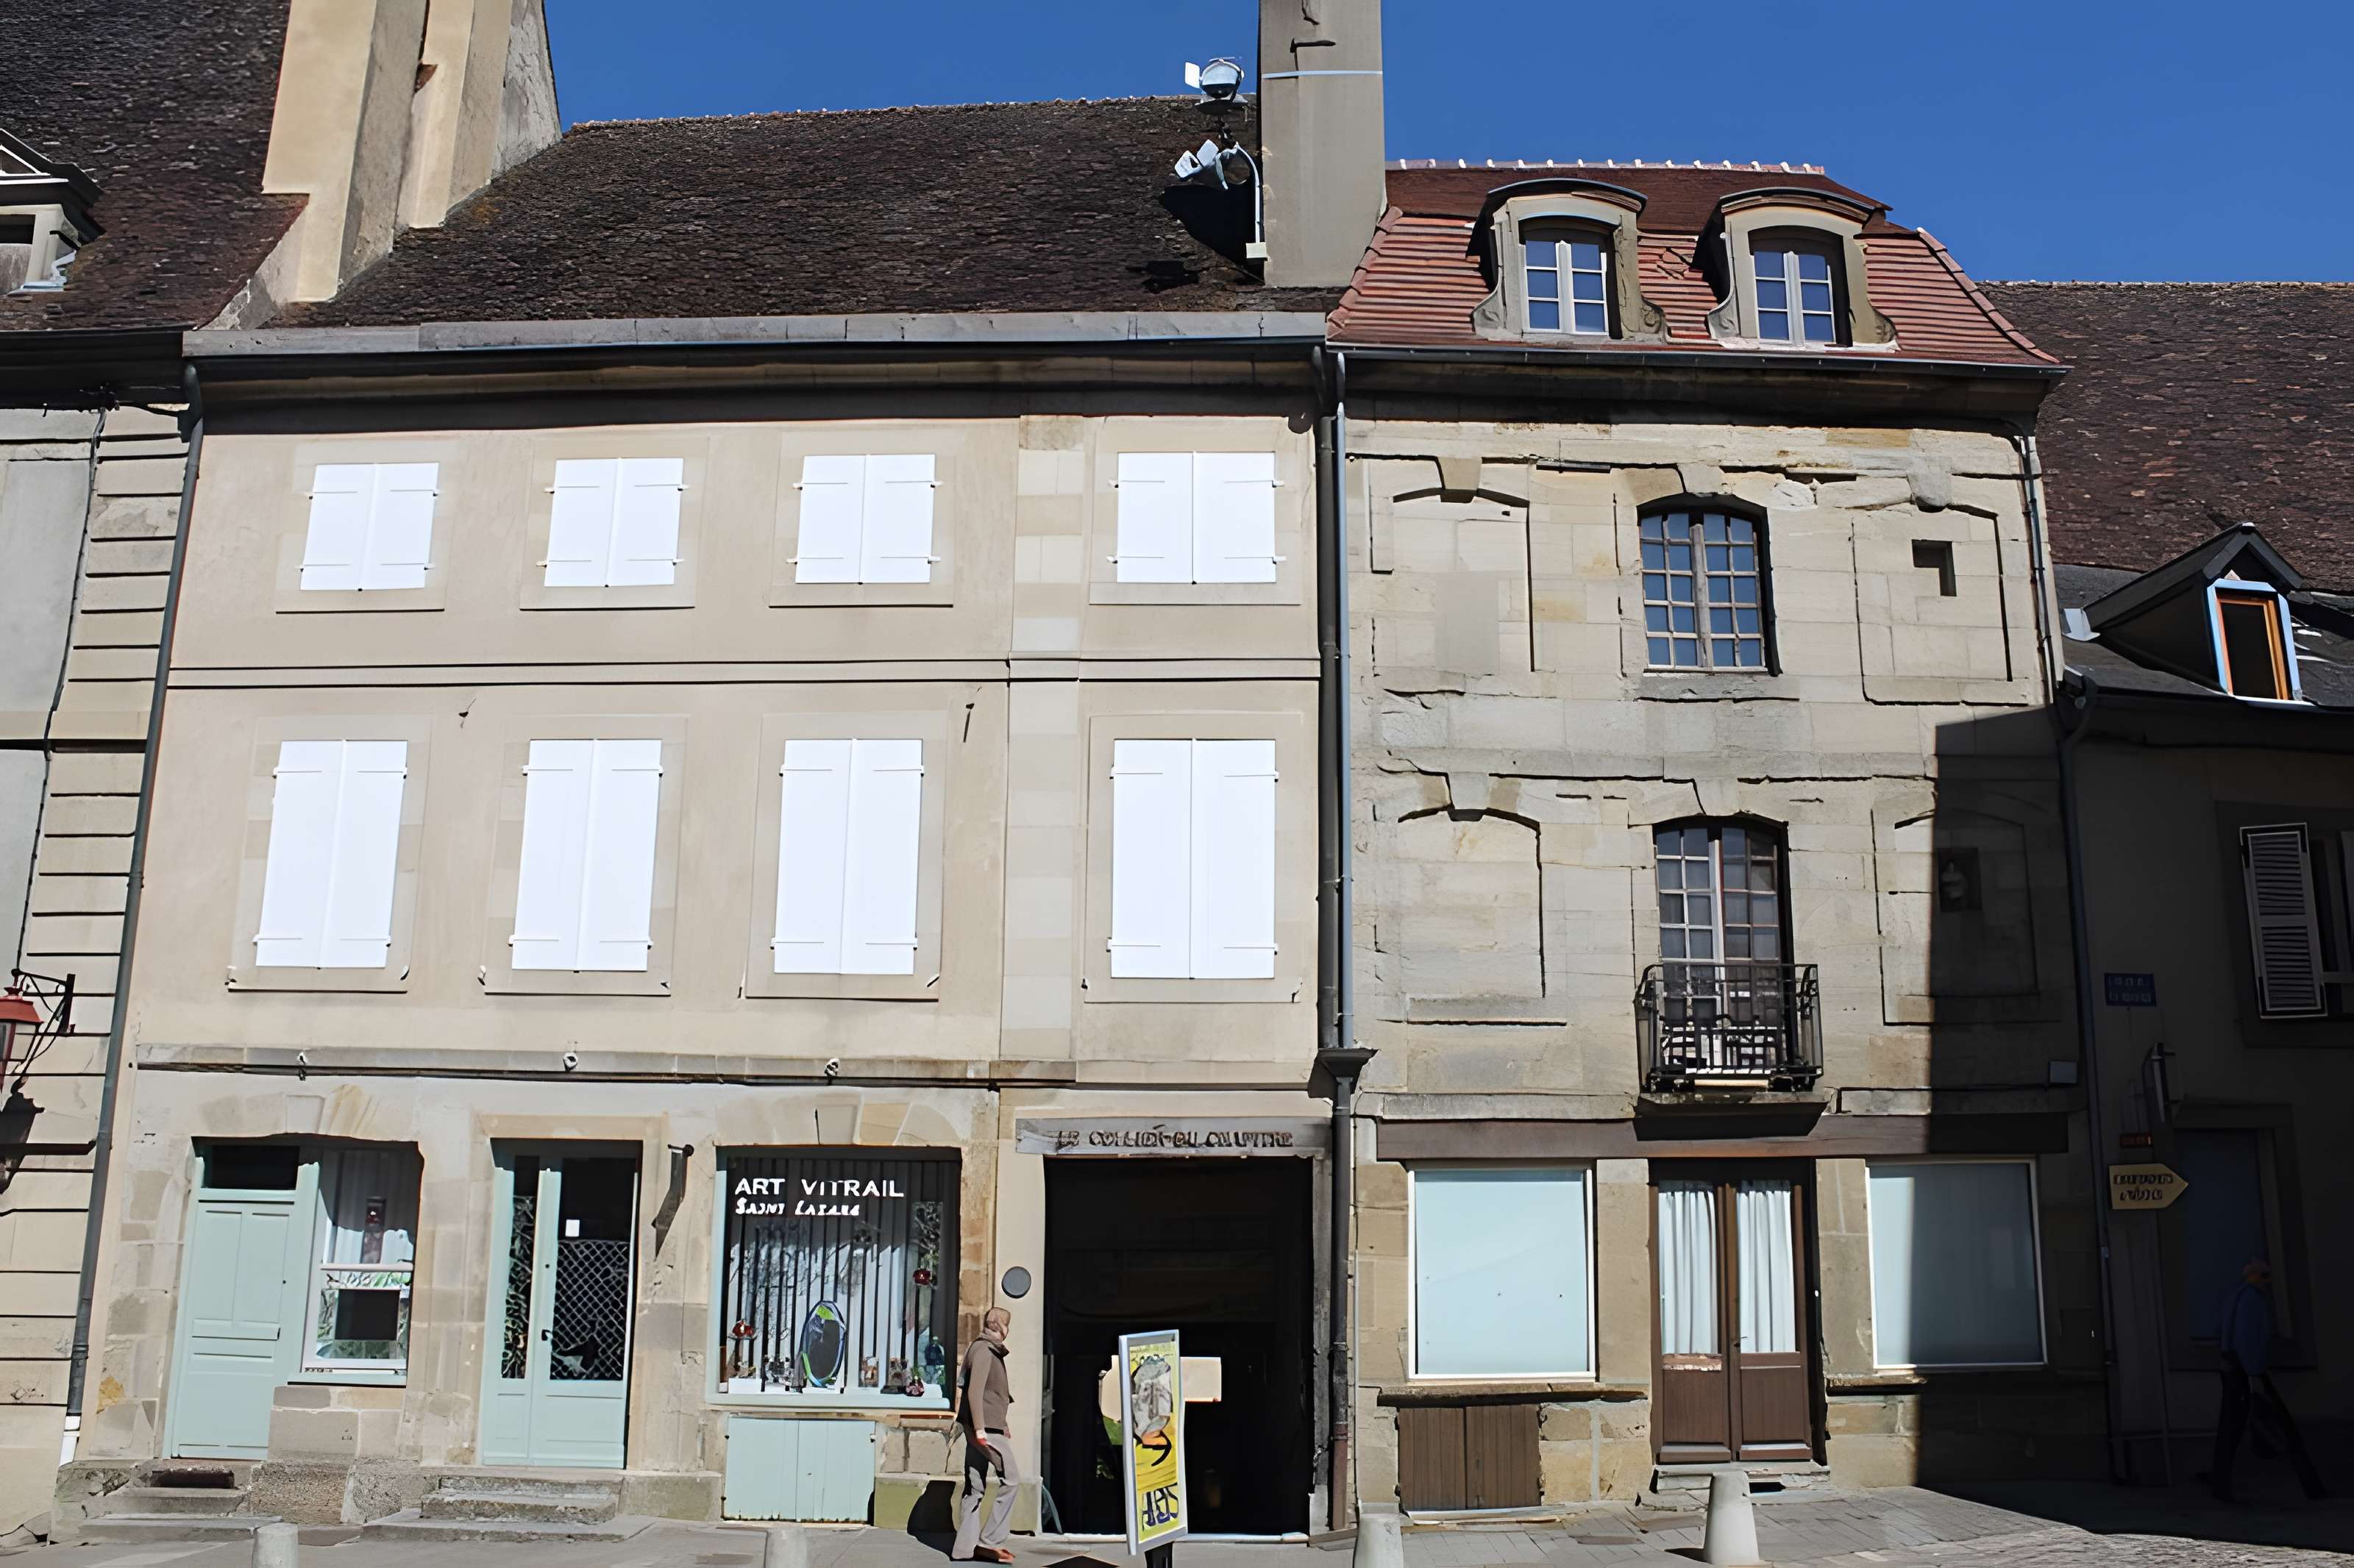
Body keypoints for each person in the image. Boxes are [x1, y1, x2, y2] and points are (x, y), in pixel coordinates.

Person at [2209, 1258, 2326, 1503]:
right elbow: (2247, 1338)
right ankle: (2309, 1485)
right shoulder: (2251, 1300)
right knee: (2264, 1425)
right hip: (2246, 1370)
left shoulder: (2236, 1297)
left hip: (2235, 1368)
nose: (2267, 1281)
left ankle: (2221, 1485)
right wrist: (2254, 1371)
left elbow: (2223, 1332)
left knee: (2232, 1428)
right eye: (2264, 1276)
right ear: (2254, 1276)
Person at [953, 1305, 1020, 1563]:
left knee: (975, 1487)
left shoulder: (983, 1349)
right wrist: (981, 1429)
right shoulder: (984, 1350)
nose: (1007, 1330)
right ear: (999, 1325)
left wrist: (1000, 1424)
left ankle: (964, 1549)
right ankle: (990, 1540)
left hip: (984, 1426)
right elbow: (974, 1392)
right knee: (1012, 1479)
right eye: (1006, 1324)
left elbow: (993, 1394)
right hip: (984, 1429)